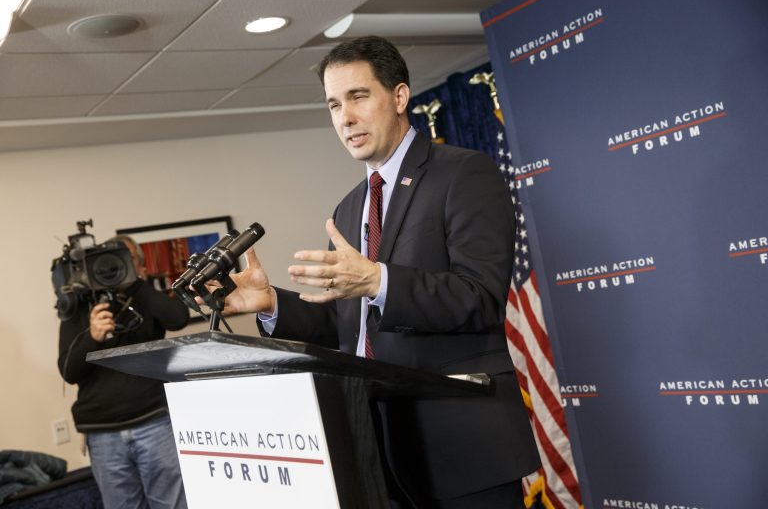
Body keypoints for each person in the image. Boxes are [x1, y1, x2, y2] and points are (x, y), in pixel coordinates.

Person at [219, 36, 541, 508]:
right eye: (333, 105)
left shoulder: (464, 174)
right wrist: (271, 303)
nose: (344, 118)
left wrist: (377, 279)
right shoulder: (349, 209)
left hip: (465, 449)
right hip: (380, 449)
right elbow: (347, 326)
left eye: (358, 96)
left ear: (399, 96)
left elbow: (480, 298)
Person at [57, 235, 189, 509]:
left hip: (154, 422)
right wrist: (92, 336)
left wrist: (137, 285)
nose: (111, 269)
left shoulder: (146, 297)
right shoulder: (79, 306)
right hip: (103, 431)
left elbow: (178, 318)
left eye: (123, 260)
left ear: (138, 265)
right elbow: (69, 372)